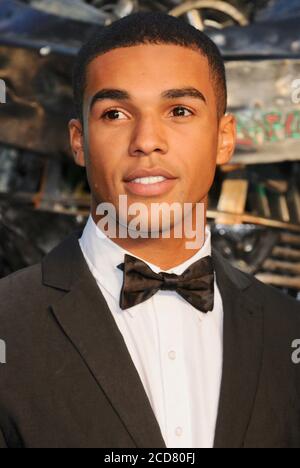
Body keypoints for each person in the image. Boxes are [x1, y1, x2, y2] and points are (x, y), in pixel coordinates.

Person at [0, 12, 299, 449]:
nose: (146, 140)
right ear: (79, 141)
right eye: (116, 113)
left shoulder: (289, 332)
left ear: (224, 137)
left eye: (179, 110)